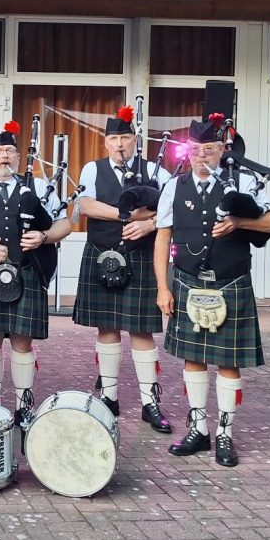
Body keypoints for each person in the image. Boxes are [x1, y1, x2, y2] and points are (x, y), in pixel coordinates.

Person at [154, 115, 270, 466]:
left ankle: (225, 433)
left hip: (230, 281)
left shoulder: (242, 182)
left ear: (222, 150)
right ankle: (199, 429)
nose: (201, 156)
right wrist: (162, 287)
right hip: (187, 281)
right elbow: (163, 236)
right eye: (195, 149)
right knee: (193, 360)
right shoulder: (174, 186)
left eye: (209, 149)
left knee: (229, 362)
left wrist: (240, 221)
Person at [74, 107, 172, 432]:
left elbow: (170, 210)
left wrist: (150, 225)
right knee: (107, 327)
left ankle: (149, 402)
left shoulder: (155, 170)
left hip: (141, 256)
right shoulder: (93, 169)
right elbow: (85, 205)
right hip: (102, 253)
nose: (119, 144)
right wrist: (127, 215)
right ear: (105, 142)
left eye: (125, 138)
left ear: (135, 140)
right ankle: (109, 397)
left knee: (141, 331)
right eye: (114, 138)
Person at [0, 120, 71, 420]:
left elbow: (65, 223)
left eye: (10, 151)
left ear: (18, 156)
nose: (5, 156)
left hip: (26, 270)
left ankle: (24, 403)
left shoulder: (37, 187)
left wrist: (44, 236)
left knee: (22, 338)